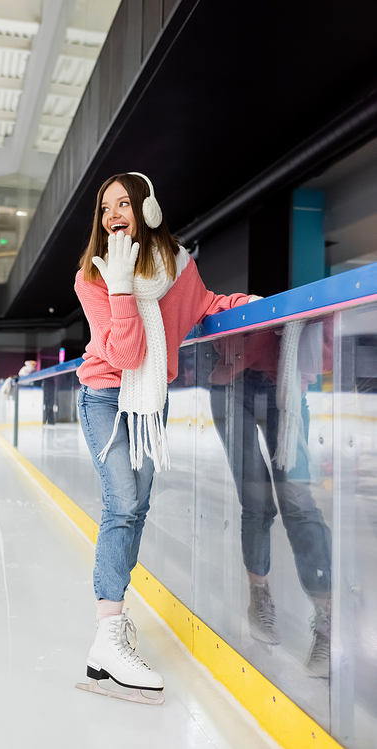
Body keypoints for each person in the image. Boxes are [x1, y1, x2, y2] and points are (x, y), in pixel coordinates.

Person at [73, 172, 260, 704]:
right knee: (122, 503)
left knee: (137, 508)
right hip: (106, 397)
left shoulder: (178, 265)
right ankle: (110, 631)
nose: (113, 213)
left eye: (124, 203)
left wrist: (257, 307)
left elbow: (203, 306)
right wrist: (123, 284)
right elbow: (127, 355)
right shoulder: (93, 275)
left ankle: (104, 643)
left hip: (150, 403)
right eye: (105, 206)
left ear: (147, 210)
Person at [208, 319, 332, 677]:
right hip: (232, 390)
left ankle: (327, 618)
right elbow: (218, 333)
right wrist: (251, 317)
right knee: (256, 500)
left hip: (289, 394)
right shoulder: (239, 305)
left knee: (296, 500)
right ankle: (258, 596)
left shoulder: (323, 309)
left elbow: (325, 357)